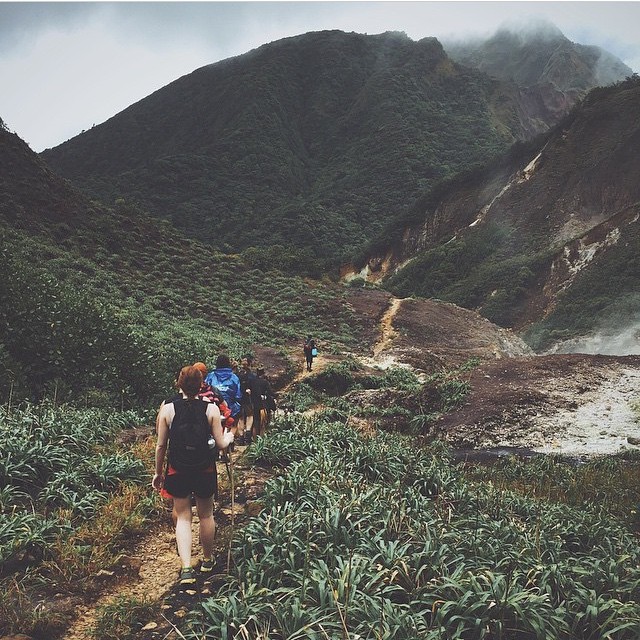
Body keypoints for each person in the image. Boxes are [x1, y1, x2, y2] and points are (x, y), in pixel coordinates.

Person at [153, 365, 234, 585]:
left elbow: (161, 446)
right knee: (206, 515)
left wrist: (157, 473)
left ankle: (186, 568)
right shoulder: (211, 409)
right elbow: (220, 444)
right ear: (201, 385)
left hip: (177, 468)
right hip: (204, 468)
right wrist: (228, 438)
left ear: (179, 383)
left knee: (183, 517)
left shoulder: (168, 408)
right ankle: (207, 560)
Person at [204, 355, 242, 435]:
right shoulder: (234, 377)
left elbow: (205, 389)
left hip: (214, 407)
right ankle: (231, 438)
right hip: (231, 409)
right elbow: (238, 396)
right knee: (234, 423)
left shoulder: (211, 376)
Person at [250, 366, 276, 441]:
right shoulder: (265, 382)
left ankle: (254, 440)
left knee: (256, 423)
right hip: (263, 405)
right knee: (263, 424)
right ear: (263, 373)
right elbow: (270, 392)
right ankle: (261, 441)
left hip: (255, 404)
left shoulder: (253, 381)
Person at [236, 356, 256, 445]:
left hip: (239, 397)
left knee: (240, 417)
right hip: (248, 398)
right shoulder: (251, 375)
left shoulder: (238, 375)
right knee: (250, 415)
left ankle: (241, 437)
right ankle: (248, 435)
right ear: (250, 364)